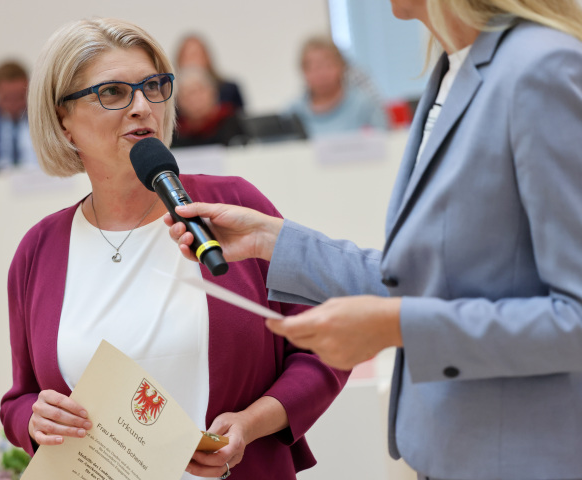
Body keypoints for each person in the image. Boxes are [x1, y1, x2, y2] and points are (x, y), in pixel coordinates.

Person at [167, 1, 582, 479]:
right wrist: (270, 239)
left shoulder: (540, 68)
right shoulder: (453, 70)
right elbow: (423, 280)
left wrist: (398, 326)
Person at [0, 17, 347, 480]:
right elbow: (20, 399)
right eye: (114, 93)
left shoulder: (232, 206)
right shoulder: (38, 251)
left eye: (153, 86)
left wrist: (250, 423)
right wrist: (32, 420)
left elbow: (328, 343)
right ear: (64, 122)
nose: (142, 106)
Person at [287, 36, 388, 137]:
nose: (321, 74)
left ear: (341, 67)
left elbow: (385, 140)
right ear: (303, 71)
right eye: (314, 67)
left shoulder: (363, 104)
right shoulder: (294, 112)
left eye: (327, 65)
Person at [171, 67, 245, 148]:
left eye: (198, 91)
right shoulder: (174, 131)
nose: (193, 99)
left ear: (213, 92)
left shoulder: (230, 121)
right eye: (185, 95)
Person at [175, 34, 245, 111]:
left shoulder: (229, 91)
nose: (192, 62)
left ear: (207, 59)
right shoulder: (172, 97)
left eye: (196, 55)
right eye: (186, 56)